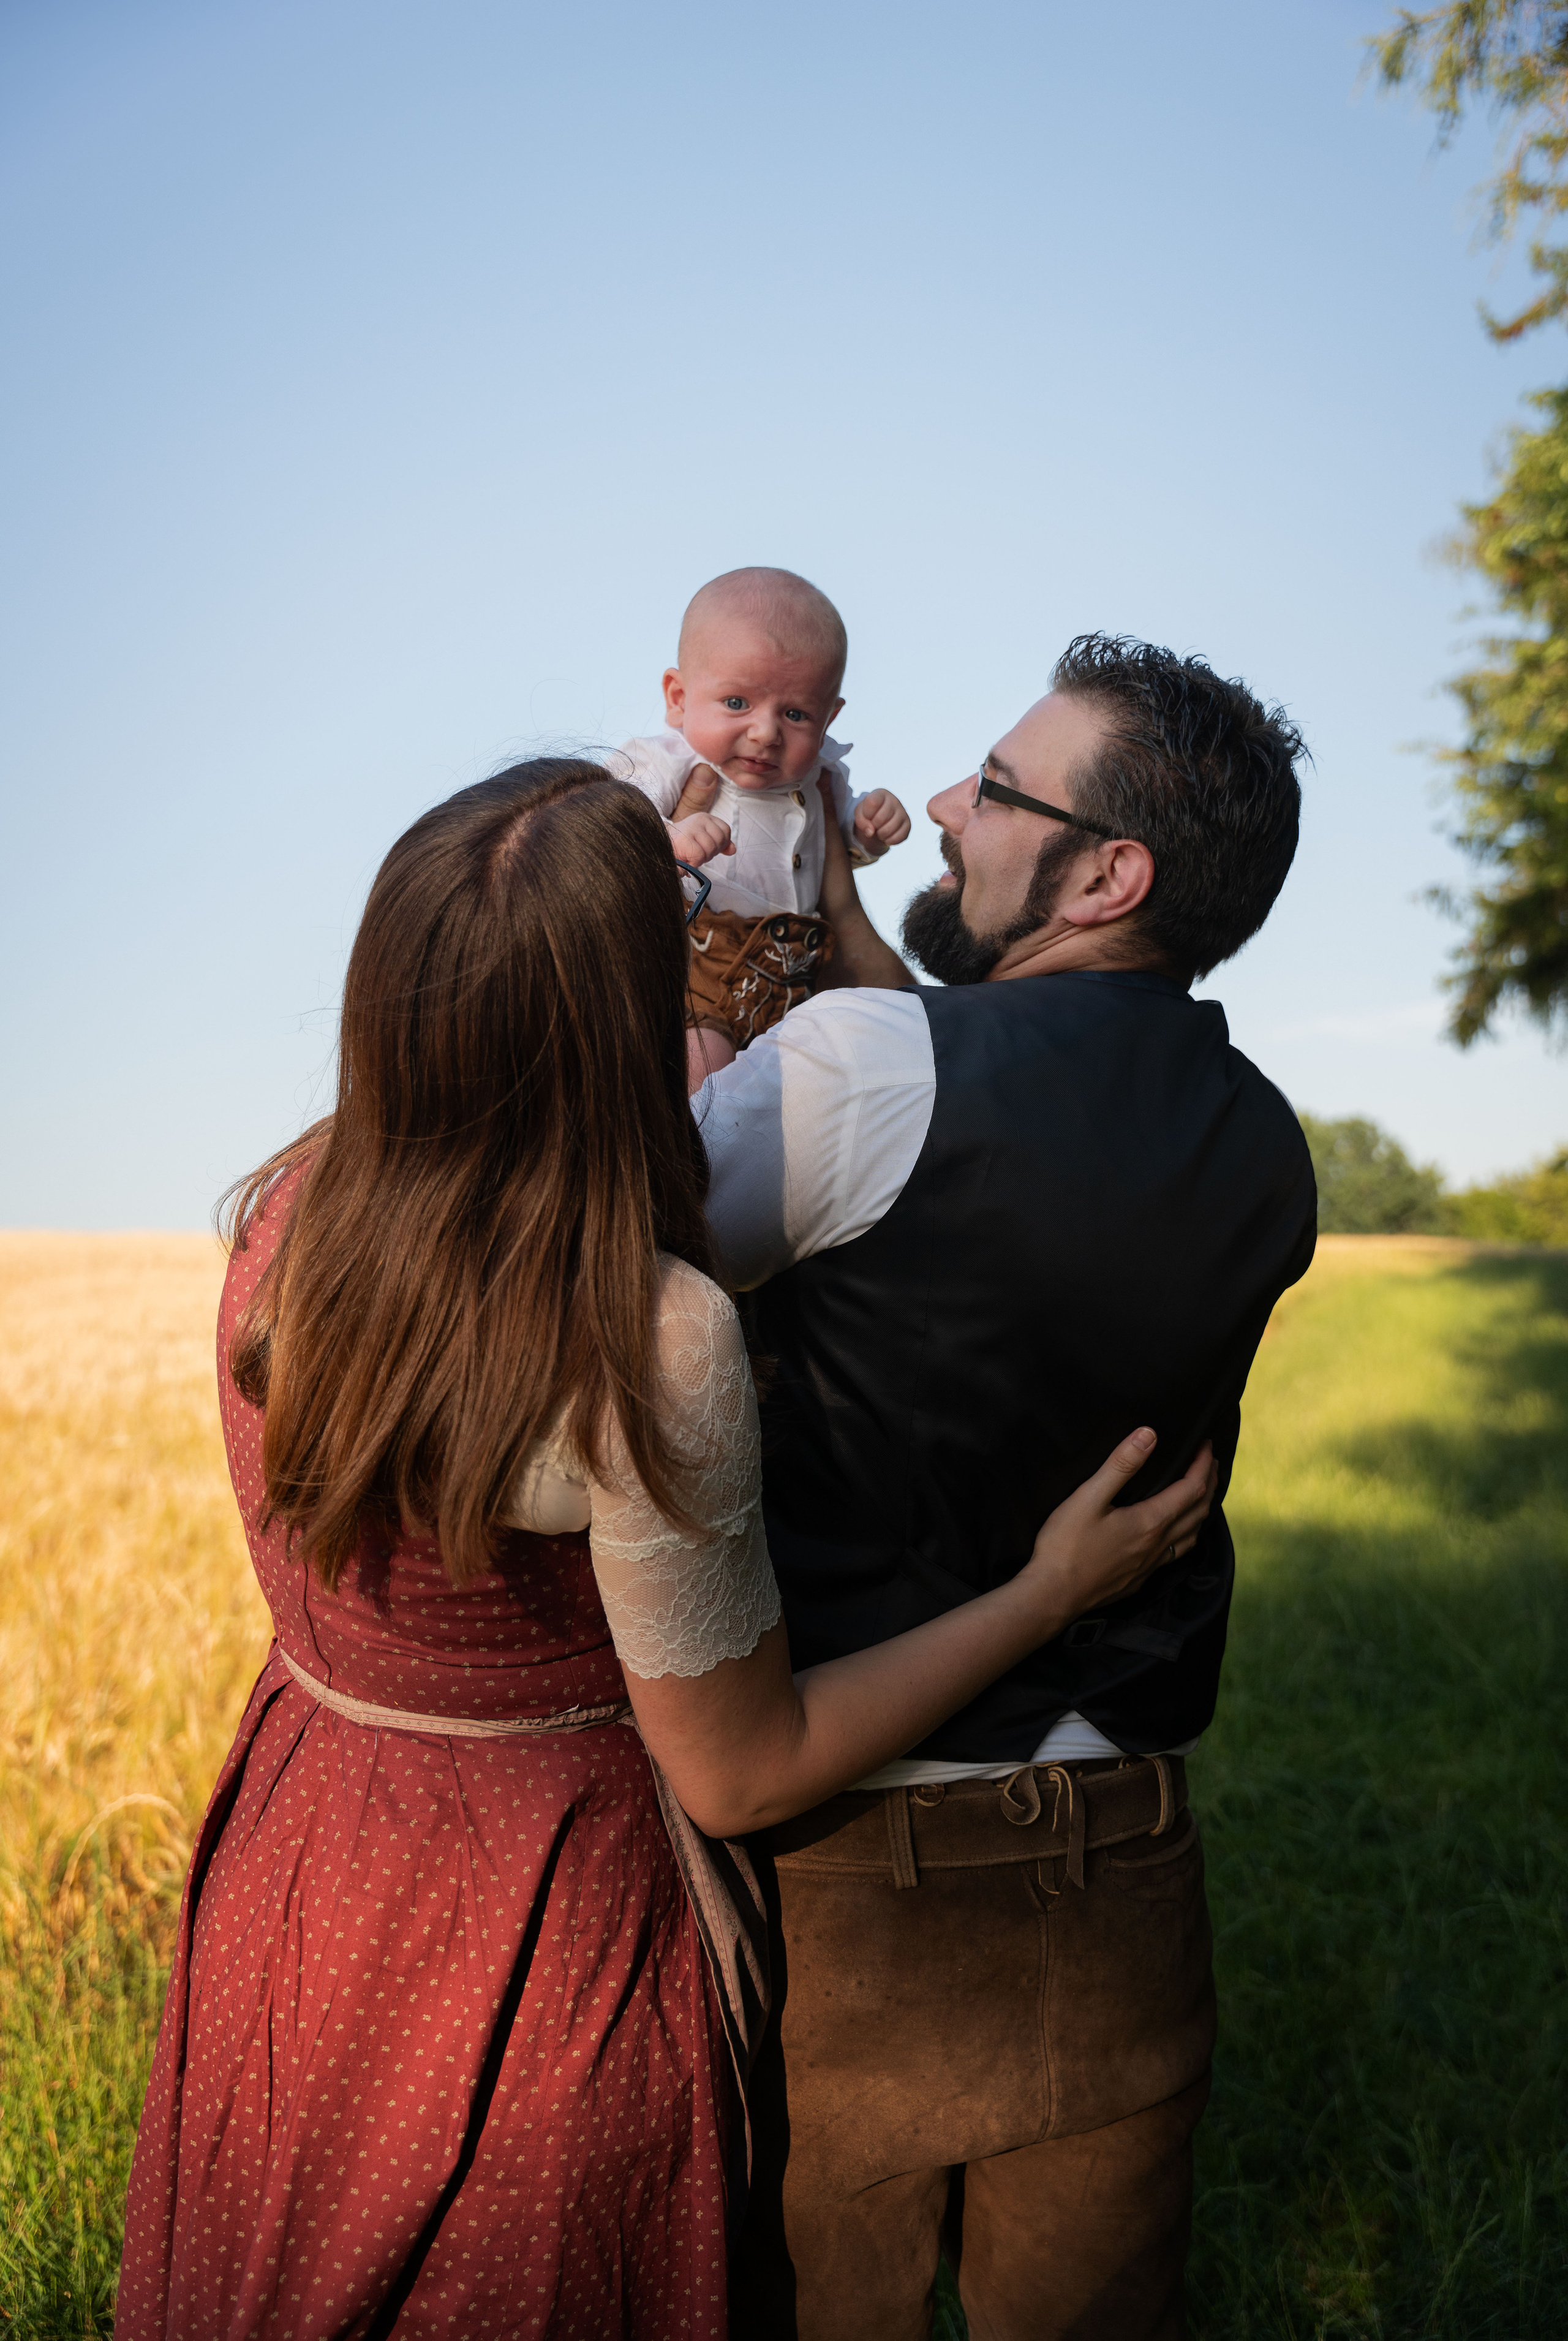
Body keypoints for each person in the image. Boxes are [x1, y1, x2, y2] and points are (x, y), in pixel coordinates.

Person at [115, 755, 1215, 2340]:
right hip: (537, 1920)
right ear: (629, 1004)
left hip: (306, 1849)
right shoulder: (648, 1331)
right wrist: (1049, 1586)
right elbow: (745, 1768)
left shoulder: (291, 1204)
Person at [699, 635, 1320, 2340]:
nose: (952, 808)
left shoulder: (861, 1069)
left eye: (999, 786)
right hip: (1133, 1869)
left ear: (1107, 872)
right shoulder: (1270, 1143)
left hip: (855, 1880)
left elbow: (627, 1257)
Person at [614, 565, 911, 1086]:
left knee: (811, 1081)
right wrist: (671, 837)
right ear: (679, 697)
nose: (766, 732)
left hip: (795, 972)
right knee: (704, 1070)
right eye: (736, 703)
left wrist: (866, 829)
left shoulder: (822, 779)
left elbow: (838, 849)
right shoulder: (671, 759)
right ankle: (691, 1154)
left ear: (829, 718)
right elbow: (610, 813)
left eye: (796, 714)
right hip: (699, 960)